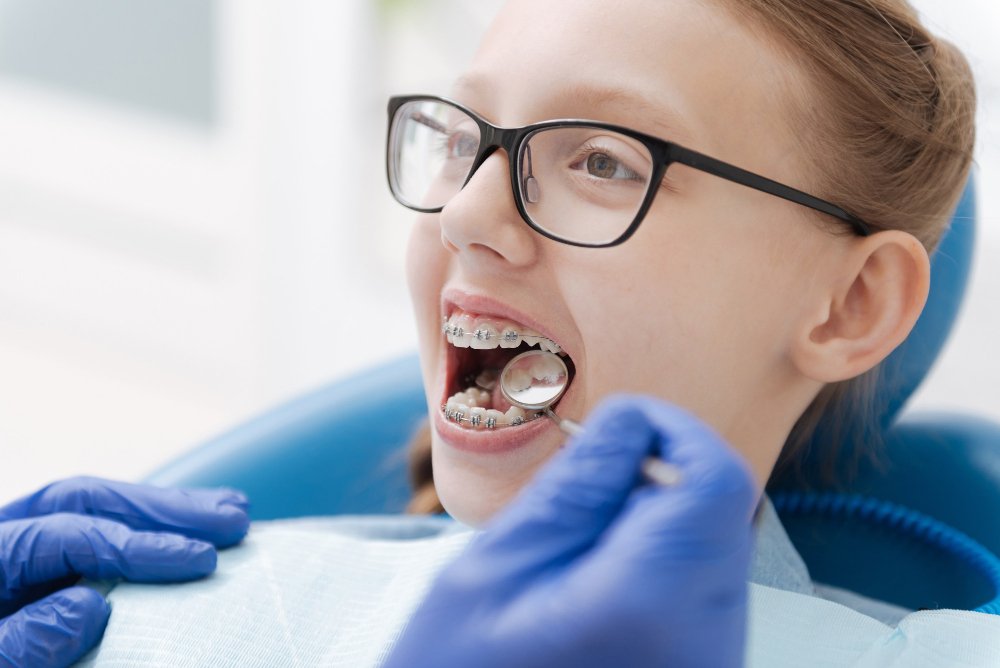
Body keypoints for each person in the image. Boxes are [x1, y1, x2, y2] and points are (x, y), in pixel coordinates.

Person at [0, 0, 987, 665]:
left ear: (849, 303)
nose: (464, 213)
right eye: (466, 137)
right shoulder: (173, 611)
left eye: (603, 160)